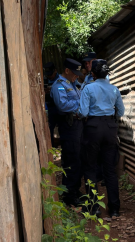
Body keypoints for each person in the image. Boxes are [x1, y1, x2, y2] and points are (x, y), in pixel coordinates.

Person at [78, 60, 125, 217]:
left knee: (90, 167)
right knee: (110, 169)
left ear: (93, 74)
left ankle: (94, 208)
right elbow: (121, 112)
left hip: (93, 128)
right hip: (110, 129)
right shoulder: (114, 90)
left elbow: (83, 112)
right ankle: (115, 209)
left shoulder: (88, 88)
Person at [50, 58, 83, 207]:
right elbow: (63, 106)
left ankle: (74, 190)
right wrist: (80, 104)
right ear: (67, 71)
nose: (77, 75)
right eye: (74, 73)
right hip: (68, 127)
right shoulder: (59, 86)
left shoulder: (73, 84)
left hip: (77, 126)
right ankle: (69, 195)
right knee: (71, 160)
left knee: (77, 159)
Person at [43, 62, 60, 147]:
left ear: (55, 71)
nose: (49, 76)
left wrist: (53, 90)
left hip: (59, 107)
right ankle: (52, 148)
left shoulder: (61, 79)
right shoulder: (44, 79)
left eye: (51, 74)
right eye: (48, 74)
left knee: (62, 128)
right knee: (49, 129)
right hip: (49, 107)